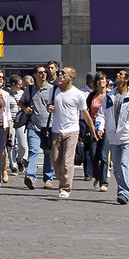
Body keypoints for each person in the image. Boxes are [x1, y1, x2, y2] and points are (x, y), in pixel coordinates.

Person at [95, 69, 129, 204]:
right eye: (117, 74)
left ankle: (123, 192)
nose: (117, 75)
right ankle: (127, 188)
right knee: (117, 167)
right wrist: (99, 127)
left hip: (127, 137)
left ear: (126, 80)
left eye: (121, 74)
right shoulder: (109, 96)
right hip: (113, 137)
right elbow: (101, 114)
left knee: (124, 164)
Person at [44, 67, 94, 199]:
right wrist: (49, 108)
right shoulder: (54, 90)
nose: (60, 75)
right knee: (55, 160)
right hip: (56, 129)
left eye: (63, 73)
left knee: (67, 161)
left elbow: (85, 113)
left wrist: (92, 129)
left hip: (72, 130)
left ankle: (65, 188)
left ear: (71, 77)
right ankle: (62, 178)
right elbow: (49, 106)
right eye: (60, 73)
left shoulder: (78, 94)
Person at [20, 66, 56, 190]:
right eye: (40, 72)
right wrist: (25, 109)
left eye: (45, 72)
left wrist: (54, 108)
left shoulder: (52, 89)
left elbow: (59, 104)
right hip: (33, 126)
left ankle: (48, 178)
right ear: (35, 75)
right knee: (33, 151)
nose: (43, 74)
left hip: (49, 126)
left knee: (48, 153)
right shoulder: (30, 90)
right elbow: (22, 102)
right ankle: (30, 177)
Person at [86, 72, 111, 192]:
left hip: (107, 129)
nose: (102, 82)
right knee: (93, 154)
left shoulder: (110, 96)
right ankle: (97, 176)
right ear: (96, 82)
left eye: (103, 79)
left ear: (106, 82)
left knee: (103, 155)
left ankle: (104, 181)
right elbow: (86, 112)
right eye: (99, 80)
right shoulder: (91, 96)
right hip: (93, 128)